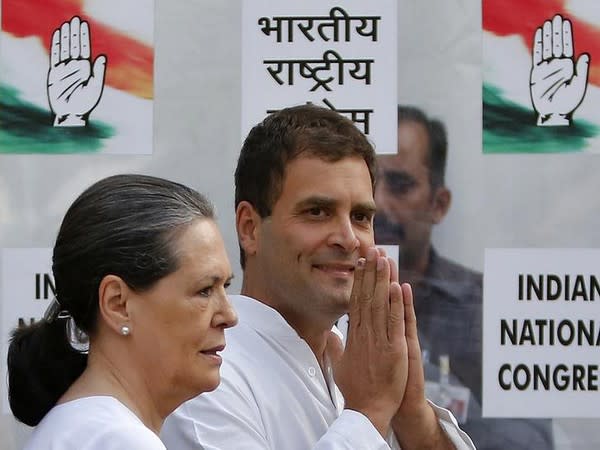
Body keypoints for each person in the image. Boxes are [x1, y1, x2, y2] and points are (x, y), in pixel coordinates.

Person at [161, 104, 474, 449]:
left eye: (360, 216)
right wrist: (370, 410)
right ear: (249, 228)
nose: (348, 238)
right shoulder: (207, 376)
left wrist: (410, 411)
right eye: (317, 212)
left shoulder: (360, 357)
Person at [7, 174, 238, 449]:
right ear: (118, 304)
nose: (229, 315)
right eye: (204, 290)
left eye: (226, 286)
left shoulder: (83, 429)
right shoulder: (118, 440)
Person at [373, 105, 554, 449]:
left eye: (400, 185)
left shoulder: (486, 309)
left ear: (438, 204)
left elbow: (531, 441)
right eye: (368, 184)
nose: (378, 203)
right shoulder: (326, 302)